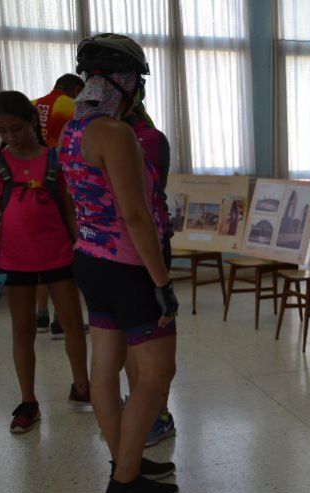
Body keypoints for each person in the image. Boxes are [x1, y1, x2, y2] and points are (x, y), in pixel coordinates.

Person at [59, 33, 178, 493]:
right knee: (157, 373)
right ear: (125, 83)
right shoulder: (116, 133)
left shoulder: (73, 130)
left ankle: (124, 460)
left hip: (89, 259)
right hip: (129, 267)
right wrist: (162, 283)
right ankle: (125, 481)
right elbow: (135, 215)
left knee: (104, 368)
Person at [0, 91, 90, 433]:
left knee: (74, 325)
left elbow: (70, 211)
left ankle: (81, 387)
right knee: (23, 331)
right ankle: (29, 402)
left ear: (32, 120)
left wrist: (84, 246)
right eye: (3, 131)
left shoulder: (55, 161)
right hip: (16, 260)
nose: (11, 137)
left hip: (58, 255)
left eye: (16, 128)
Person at [122, 93, 176, 447]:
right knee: (130, 334)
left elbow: (146, 196)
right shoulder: (95, 134)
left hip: (150, 241)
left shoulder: (150, 139)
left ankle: (158, 413)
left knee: (156, 333)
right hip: (116, 249)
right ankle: (141, 404)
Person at [33, 74, 85, 338]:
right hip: (62, 183)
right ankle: (60, 320)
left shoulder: (32, 104)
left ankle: (40, 316)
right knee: (67, 253)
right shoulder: (70, 106)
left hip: (34, 187)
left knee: (41, 256)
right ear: (76, 89)